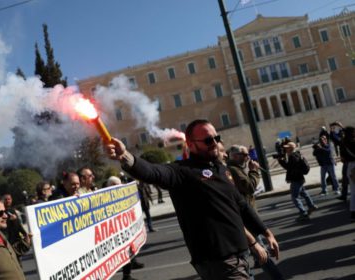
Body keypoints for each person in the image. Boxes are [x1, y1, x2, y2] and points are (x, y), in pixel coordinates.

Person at [104, 119, 279, 279]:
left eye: (215, 138)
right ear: (190, 145)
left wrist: (266, 232)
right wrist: (125, 156)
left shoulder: (221, 169)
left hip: (240, 257)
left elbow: (241, 206)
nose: (215, 144)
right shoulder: (182, 172)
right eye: (208, 141)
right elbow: (154, 172)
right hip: (219, 263)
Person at [227, 145, 284, 280]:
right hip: (245, 220)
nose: (248, 157)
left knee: (250, 254)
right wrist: (254, 171)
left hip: (247, 216)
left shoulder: (237, 169)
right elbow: (249, 187)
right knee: (261, 252)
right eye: (245, 155)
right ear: (235, 156)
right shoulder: (234, 170)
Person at [277, 142, 318, 221]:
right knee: (303, 193)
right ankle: (311, 206)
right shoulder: (297, 154)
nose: (285, 149)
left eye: (287, 148)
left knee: (295, 197)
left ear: (290, 148)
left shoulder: (292, 156)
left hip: (296, 179)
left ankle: (303, 213)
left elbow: (289, 167)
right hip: (299, 178)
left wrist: (281, 161)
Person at [341, 126, 355, 221]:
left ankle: (353, 212)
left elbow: (342, 158)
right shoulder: (353, 142)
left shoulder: (343, 143)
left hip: (349, 167)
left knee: (353, 191)